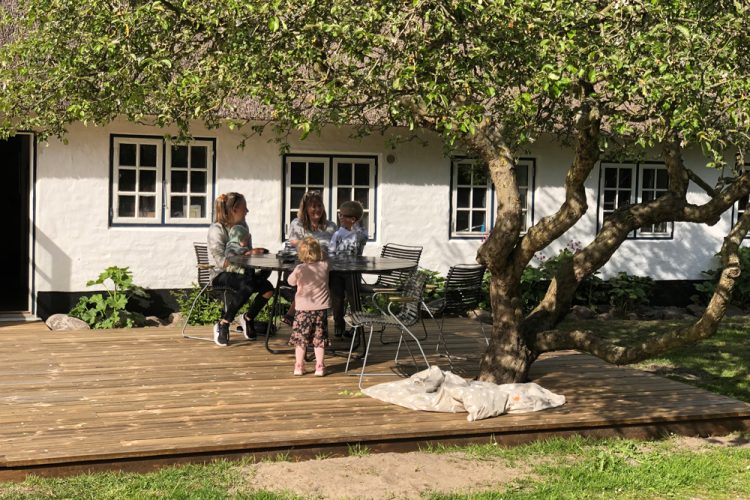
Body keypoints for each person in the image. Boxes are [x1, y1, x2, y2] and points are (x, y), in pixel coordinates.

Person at [207, 192, 274, 347]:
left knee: (268, 288)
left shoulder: (243, 226)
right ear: (234, 209)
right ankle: (223, 322)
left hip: (243, 273)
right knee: (249, 285)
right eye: (245, 207)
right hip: (221, 274)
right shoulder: (216, 229)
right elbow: (220, 261)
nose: (247, 211)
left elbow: (246, 253)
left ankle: (248, 318)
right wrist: (243, 261)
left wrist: (253, 254)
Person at [282, 190, 337, 325]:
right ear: (305, 208)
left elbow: (337, 247)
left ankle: (294, 314)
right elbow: (295, 242)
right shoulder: (297, 224)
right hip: (299, 265)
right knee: (309, 276)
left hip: (325, 269)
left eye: (319, 205)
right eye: (313, 206)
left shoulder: (331, 226)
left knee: (338, 282)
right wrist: (316, 252)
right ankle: (309, 319)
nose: (317, 209)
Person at [286, 237, 330, 376]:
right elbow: (328, 256)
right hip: (320, 309)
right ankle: (320, 366)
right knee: (319, 338)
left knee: (301, 339)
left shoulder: (300, 268)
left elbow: (290, 282)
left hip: (302, 310)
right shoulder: (324, 266)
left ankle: (299, 366)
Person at [329, 200, 368, 338]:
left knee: (354, 299)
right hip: (337, 272)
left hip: (353, 271)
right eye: (340, 215)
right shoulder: (338, 234)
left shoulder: (360, 234)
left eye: (343, 216)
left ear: (353, 219)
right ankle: (339, 327)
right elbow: (331, 252)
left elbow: (363, 237)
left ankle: (357, 328)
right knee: (337, 299)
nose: (340, 218)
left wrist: (355, 224)